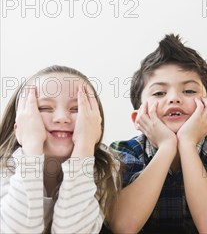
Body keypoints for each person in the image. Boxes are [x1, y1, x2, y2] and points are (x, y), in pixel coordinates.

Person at [108, 34, 207, 233]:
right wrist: (167, 147)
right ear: (138, 118)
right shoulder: (124, 151)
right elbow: (123, 225)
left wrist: (187, 144)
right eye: (159, 93)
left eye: (188, 91)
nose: (174, 98)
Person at [0, 65, 119, 234]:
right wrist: (31, 146)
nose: (62, 118)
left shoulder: (103, 167)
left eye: (77, 109)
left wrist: (84, 147)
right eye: (44, 108)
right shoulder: (4, 167)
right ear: (19, 122)